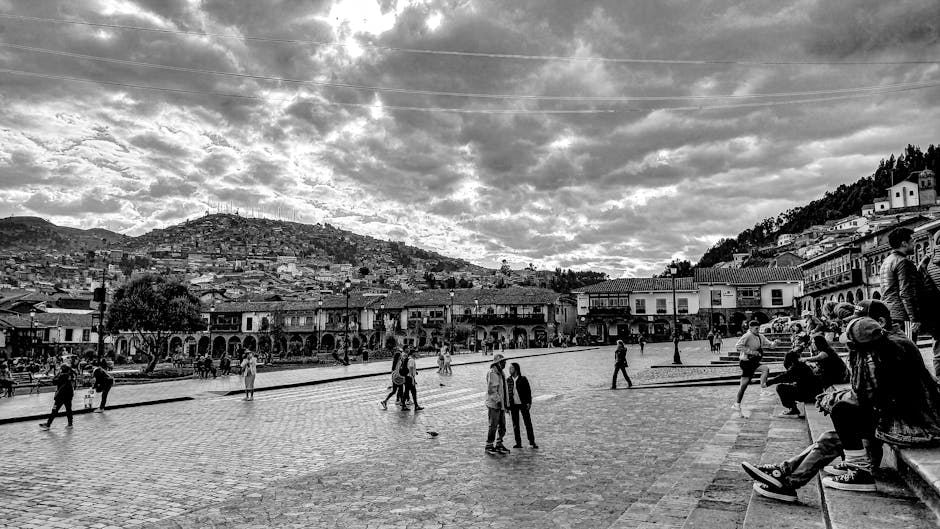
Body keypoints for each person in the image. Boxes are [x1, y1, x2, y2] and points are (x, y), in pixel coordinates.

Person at [742, 316, 940, 502]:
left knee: (842, 411)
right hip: (906, 421)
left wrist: (833, 398)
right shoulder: (891, 347)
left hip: (909, 427)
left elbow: (866, 398)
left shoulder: (880, 360)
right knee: (833, 435)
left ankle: (857, 472)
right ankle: (786, 474)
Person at [880, 227, 922, 339]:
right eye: (912, 241)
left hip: (889, 313)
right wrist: (914, 318)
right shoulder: (903, 262)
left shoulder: (887, 261)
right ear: (904, 243)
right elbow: (906, 292)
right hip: (903, 315)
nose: (914, 243)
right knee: (909, 350)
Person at [732, 321, 778, 414]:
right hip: (746, 362)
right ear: (750, 328)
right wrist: (751, 352)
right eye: (756, 328)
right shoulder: (747, 336)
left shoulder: (761, 336)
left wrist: (775, 343)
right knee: (745, 384)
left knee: (764, 370)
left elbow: (769, 345)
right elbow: (738, 346)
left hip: (753, 362)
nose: (758, 330)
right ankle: (738, 403)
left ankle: (762, 390)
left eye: (759, 328)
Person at [765, 350, 820, 418]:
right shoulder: (801, 365)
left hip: (808, 394)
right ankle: (793, 407)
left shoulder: (796, 367)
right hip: (812, 392)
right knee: (789, 386)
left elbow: (783, 377)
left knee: (780, 388)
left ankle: (793, 409)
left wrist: (768, 383)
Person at [917, 229, 940, 377]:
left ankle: (939, 379)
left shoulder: (927, 261)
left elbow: (919, 283)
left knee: (938, 349)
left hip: (936, 312)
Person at [508, 362, 537, 449]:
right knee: (515, 424)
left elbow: (528, 391)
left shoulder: (523, 379)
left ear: (516, 369)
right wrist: (506, 406)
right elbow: (506, 393)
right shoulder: (508, 380)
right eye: (509, 368)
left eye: (511, 368)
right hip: (513, 405)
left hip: (523, 403)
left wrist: (529, 402)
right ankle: (518, 443)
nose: (509, 370)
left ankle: (532, 442)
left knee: (527, 423)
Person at [485, 354, 510, 454]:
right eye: (503, 362)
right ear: (498, 363)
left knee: (502, 425)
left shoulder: (500, 372)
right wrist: (498, 401)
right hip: (494, 404)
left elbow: (503, 389)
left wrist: (506, 403)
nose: (505, 363)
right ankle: (489, 445)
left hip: (501, 403)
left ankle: (499, 443)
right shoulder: (492, 373)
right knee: (493, 425)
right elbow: (492, 390)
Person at [39, 365, 74, 430]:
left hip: (61, 396)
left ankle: (48, 424)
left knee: (54, 410)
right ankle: (70, 424)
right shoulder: (68, 375)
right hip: (68, 395)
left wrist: (57, 374)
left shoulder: (62, 376)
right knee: (68, 409)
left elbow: (54, 381)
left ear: (62, 369)